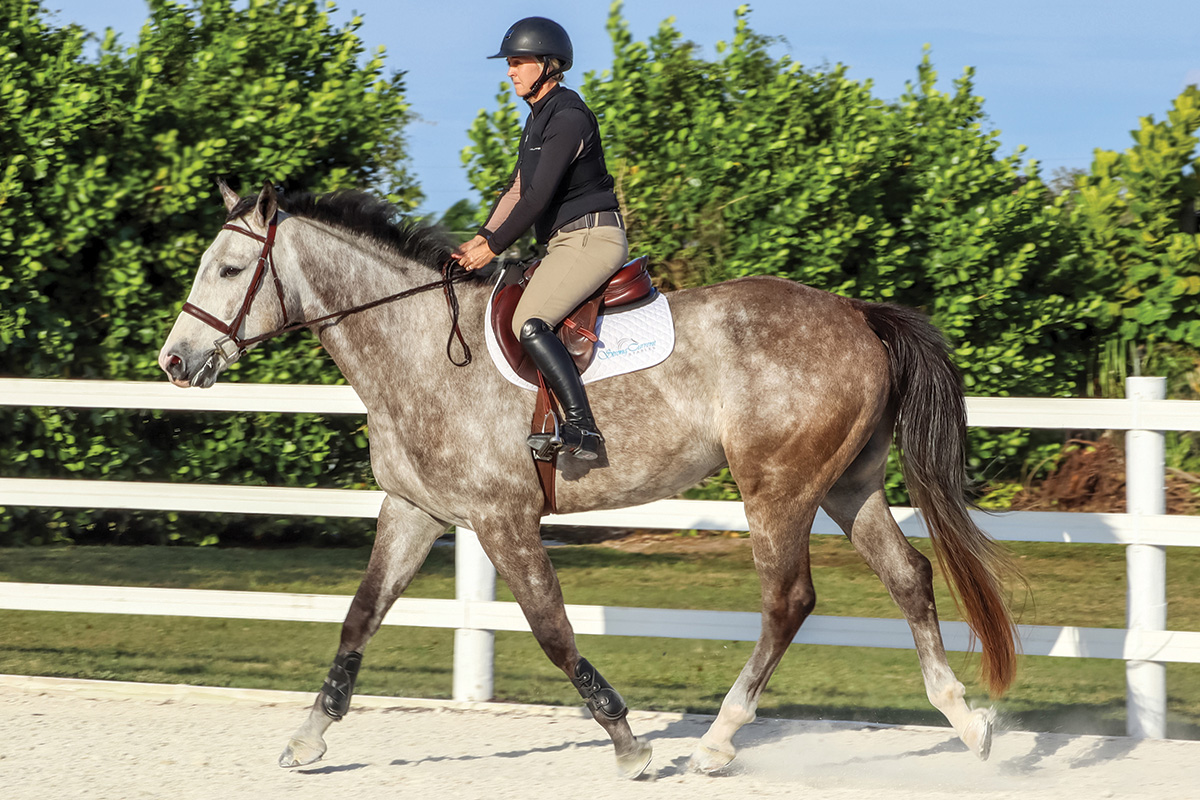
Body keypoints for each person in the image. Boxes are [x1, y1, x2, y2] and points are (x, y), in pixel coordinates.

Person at [454, 16, 628, 461]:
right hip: (563, 243)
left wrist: (493, 247)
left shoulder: (569, 117)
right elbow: (514, 190)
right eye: (509, 63)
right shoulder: (537, 121)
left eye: (517, 62)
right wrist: (479, 239)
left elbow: (536, 199)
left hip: (593, 239)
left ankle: (582, 427)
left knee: (528, 322)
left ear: (548, 65)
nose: (509, 71)